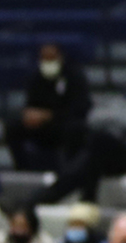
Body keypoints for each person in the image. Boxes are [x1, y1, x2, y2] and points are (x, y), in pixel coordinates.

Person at [38, 65, 126, 205]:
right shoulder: (120, 100)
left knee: (99, 142)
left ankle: (85, 196)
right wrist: (119, 119)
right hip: (106, 155)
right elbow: (92, 119)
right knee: (76, 132)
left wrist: (113, 119)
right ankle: (76, 190)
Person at [6, 43, 92, 173]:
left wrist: (49, 115)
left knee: (75, 129)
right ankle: (23, 170)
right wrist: (30, 114)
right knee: (13, 126)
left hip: (64, 124)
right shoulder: (36, 77)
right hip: (42, 126)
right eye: (44, 59)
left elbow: (80, 107)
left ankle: (71, 172)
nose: (48, 63)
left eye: (51, 58)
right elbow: (31, 103)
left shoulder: (74, 76)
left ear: (60, 57)